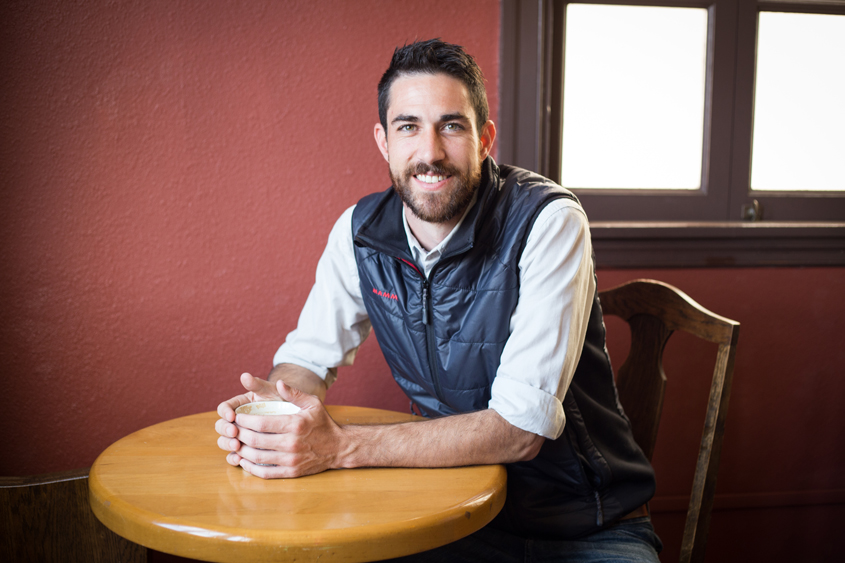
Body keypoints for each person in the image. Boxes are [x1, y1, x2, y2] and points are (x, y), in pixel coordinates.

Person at [216, 38, 661, 562]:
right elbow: (308, 358)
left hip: (587, 526)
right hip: (449, 514)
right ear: (383, 141)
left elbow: (520, 431)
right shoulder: (359, 234)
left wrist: (338, 446)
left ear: (485, 138)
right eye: (408, 127)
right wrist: (272, 414)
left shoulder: (548, 222)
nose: (429, 153)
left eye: (451, 125)